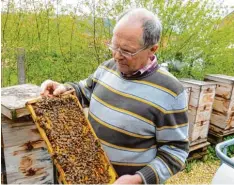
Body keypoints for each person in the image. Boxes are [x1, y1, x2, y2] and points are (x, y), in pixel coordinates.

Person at [41, 8, 189, 184]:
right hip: (89, 175)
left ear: (152, 49)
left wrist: (140, 179)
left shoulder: (171, 92)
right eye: (114, 46)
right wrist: (63, 88)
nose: (117, 56)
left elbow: (176, 151)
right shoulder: (108, 67)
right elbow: (84, 91)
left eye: (127, 51)